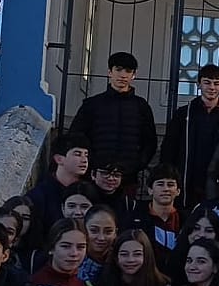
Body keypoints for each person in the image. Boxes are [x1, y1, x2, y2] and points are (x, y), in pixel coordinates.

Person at [67, 51, 160, 188]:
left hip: (128, 176)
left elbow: (150, 142)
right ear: (110, 72)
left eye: (128, 71)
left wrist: (136, 165)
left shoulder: (141, 106)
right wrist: (93, 163)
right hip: (96, 175)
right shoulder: (92, 104)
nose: (123, 75)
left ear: (134, 75)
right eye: (118, 69)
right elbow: (76, 137)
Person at [162, 63, 219, 204]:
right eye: (207, 82)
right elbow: (169, 147)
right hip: (188, 176)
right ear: (198, 84)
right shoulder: (183, 114)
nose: (212, 87)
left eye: (216, 83)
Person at [27, 134, 91, 229]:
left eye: (86, 155)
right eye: (77, 154)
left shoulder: (89, 190)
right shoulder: (40, 194)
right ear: (59, 159)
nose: (84, 160)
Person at [133, 165, 185, 280]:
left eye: (170, 185)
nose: (166, 189)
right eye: (160, 184)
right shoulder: (134, 219)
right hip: (144, 279)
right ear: (150, 190)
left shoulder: (187, 220)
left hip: (178, 280)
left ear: (178, 191)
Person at [79, 205, 122, 283]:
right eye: (94, 231)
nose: (101, 238)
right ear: (84, 230)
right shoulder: (73, 259)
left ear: (115, 233)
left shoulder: (121, 261)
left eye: (108, 232)